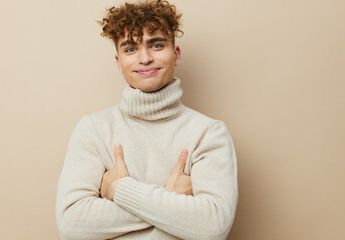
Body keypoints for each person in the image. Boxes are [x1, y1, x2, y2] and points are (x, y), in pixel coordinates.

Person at [55, 0, 238, 239]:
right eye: (130, 49)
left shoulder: (209, 133)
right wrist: (171, 200)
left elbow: (213, 226)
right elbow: (72, 225)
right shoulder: (93, 129)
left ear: (176, 54)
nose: (144, 58)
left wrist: (119, 189)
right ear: (119, 63)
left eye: (156, 45)